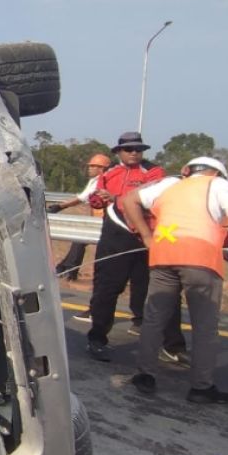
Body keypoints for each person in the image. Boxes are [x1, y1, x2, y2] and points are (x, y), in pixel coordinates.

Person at [122, 157, 228, 403]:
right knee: (204, 327)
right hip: (200, 260)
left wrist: (146, 235)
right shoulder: (218, 184)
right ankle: (201, 387)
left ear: (187, 170)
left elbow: (129, 200)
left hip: (162, 255)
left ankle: (144, 375)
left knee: (154, 319)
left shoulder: (170, 184)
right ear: (217, 172)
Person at [84, 132, 186, 362]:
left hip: (147, 236)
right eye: (129, 149)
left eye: (138, 149)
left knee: (161, 290)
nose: (134, 153)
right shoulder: (109, 174)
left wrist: (116, 197)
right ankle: (97, 339)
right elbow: (96, 200)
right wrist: (98, 198)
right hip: (115, 236)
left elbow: (149, 198)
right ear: (118, 152)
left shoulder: (154, 172)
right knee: (106, 289)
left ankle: (173, 346)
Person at [47, 153, 111, 286]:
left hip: (107, 220)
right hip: (100, 218)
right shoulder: (94, 180)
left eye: (93, 166)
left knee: (81, 240)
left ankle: (68, 269)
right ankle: (68, 268)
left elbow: (82, 198)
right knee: (79, 240)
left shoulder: (102, 180)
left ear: (102, 168)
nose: (89, 168)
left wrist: (60, 206)